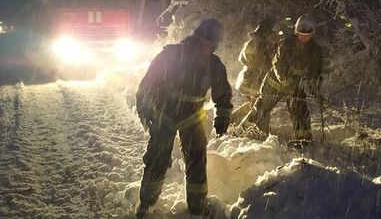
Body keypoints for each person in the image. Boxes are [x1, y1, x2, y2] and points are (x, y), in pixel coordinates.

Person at [135, 19, 233, 218]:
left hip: (192, 116)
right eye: (203, 43)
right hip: (165, 113)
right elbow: (146, 85)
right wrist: (146, 111)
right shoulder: (170, 55)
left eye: (210, 45)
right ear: (195, 39)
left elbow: (222, 94)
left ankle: (197, 207)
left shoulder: (214, 65)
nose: (206, 48)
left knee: (197, 160)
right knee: (157, 159)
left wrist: (223, 116)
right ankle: (146, 205)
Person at [248, 13, 323, 146]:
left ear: (313, 34)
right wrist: (287, 81)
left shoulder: (315, 51)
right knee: (261, 108)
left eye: (307, 35)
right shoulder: (285, 45)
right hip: (274, 83)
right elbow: (279, 65)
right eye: (301, 34)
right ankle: (251, 133)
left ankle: (303, 141)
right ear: (295, 31)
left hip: (295, 87)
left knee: (301, 112)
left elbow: (314, 73)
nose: (304, 37)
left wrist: (316, 92)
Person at [232, 18, 281, 124]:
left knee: (255, 105)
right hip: (254, 82)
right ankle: (250, 131)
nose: (275, 36)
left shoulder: (259, 44)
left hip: (250, 81)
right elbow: (255, 63)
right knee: (260, 107)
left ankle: (232, 121)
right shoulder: (257, 45)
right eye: (273, 34)